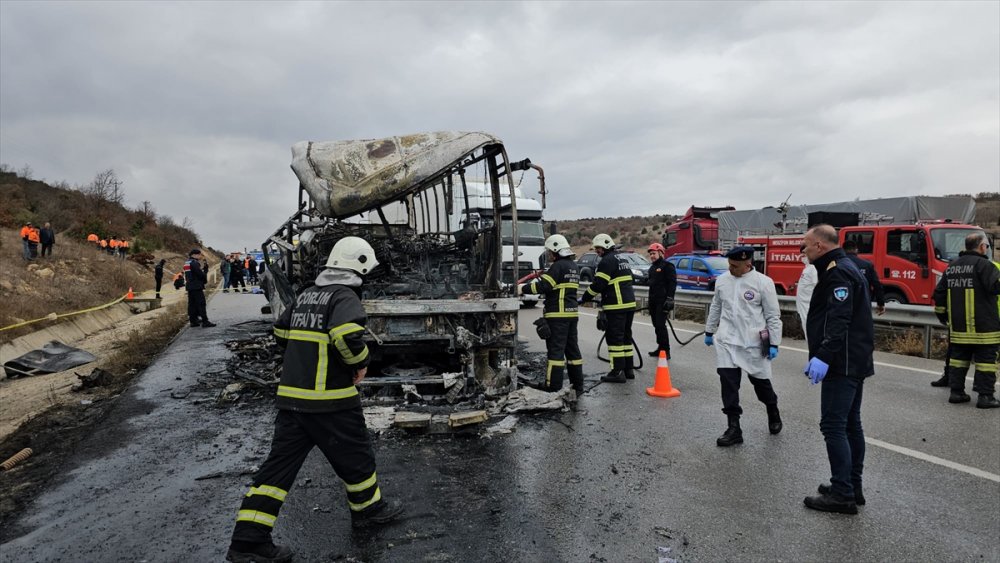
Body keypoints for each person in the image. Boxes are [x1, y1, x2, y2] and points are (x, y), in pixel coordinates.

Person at [226, 236, 403, 563]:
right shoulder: (345, 296)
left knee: (277, 471)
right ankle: (368, 511)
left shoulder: (307, 295)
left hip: (292, 401)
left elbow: (281, 332)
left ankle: (248, 542)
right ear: (359, 266)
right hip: (331, 401)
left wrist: (305, 356)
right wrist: (360, 363)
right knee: (357, 455)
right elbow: (345, 335)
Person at [800, 224, 875, 515]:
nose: (803, 251)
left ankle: (842, 494)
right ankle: (851, 486)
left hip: (842, 362)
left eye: (806, 245)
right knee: (850, 424)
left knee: (834, 425)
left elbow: (839, 320)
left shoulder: (838, 272)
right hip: (853, 359)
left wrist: (823, 355)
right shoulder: (843, 267)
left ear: (820, 245)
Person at [704, 246, 783, 447]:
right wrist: (709, 330)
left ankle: (772, 408)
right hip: (727, 341)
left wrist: (774, 342)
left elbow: (773, 316)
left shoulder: (763, 283)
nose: (730, 268)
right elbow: (716, 306)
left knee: (762, 385)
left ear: (748, 264)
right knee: (728, 384)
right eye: (729, 264)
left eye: (734, 266)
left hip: (753, 343)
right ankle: (734, 427)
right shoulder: (723, 281)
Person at [932, 232, 1000, 409]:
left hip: (959, 326)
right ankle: (985, 396)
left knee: (958, 359)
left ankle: (956, 393)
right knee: (986, 362)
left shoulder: (952, 267)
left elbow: (939, 294)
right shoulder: (985, 265)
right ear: (982, 246)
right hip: (984, 326)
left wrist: (943, 316)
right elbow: (995, 287)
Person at [519, 234, 583, 394]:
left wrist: (522, 289)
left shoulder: (558, 266)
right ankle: (578, 385)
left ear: (555, 250)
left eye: (550, 251)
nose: (549, 254)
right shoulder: (574, 266)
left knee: (555, 352)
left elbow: (544, 286)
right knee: (573, 351)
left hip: (557, 316)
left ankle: (553, 385)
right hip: (572, 314)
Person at [580, 234, 636, 383]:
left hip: (617, 305)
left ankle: (617, 372)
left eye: (598, 248)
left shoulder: (606, 261)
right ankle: (628, 369)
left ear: (604, 247)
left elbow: (598, 284)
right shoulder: (622, 258)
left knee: (614, 338)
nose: (597, 251)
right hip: (629, 304)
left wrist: (584, 298)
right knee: (625, 336)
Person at [646, 242, 677, 359]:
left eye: (654, 253)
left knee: (660, 325)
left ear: (660, 253)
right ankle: (660, 348)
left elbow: (672, 283)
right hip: (653, 301)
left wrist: (670, 298)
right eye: (650, 254)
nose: (652, 256)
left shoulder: (667, 266)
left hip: (663, 302)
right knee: (656, 325)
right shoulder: (652, 268)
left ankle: (666, 350)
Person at [843, 240, 885, 316]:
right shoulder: (867, 265)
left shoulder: (837, 264)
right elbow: (876, 285)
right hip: (862, 303)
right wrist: (880, 303)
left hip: (842, 303)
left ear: (843, 250)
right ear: (856, 250)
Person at [183, 249, 216, 328]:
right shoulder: (194, 263)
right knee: (201, 303)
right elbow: (200, 275)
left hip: (190, 286)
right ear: (194, 255)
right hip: (196, 286)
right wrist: (205, 271)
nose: (200, 256)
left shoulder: (187, 262)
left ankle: (193, 321)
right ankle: (205, 321)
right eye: (200, 255)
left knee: (192, 304)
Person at [795, 245, 818, 341]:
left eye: (804, 253)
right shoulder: (806, 268)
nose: (802, 256)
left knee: (812, 336)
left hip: (809, 307)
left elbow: (817, 285)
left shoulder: (813, 268)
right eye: (802, 253)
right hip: (803, 307)